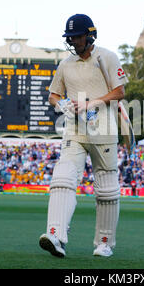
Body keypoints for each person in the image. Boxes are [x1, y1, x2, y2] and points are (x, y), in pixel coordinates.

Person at [39, 14, 128, 258]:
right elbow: (53, 94)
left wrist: (93, 103)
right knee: (63, 178)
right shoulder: (66, 64)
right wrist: (63, 105)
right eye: (70, 37)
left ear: (89, 36)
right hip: (75, 131)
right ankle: (55, 235)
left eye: (77, 37)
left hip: (105, 130)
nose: (73, 41)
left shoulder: (106, 57)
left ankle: (105, 243)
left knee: (107, 189)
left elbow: (120, 91)